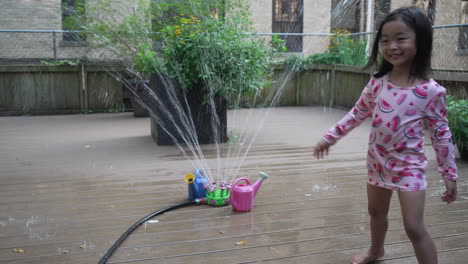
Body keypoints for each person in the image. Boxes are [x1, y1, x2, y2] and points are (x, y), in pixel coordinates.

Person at [313, 6, 458, 264]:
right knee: (376, 212)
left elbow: (441, 135)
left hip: (409, 167)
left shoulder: (431, 91)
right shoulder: (378, 82)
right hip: (378, 162)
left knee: (414, 227)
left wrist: (449, 175)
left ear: (420, 40)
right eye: (385, 40)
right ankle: (376, 251)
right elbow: (357, 113)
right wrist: (330, 136)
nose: (392, 46)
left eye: (401, 39)